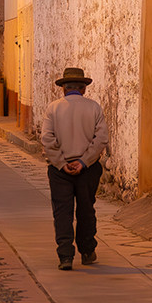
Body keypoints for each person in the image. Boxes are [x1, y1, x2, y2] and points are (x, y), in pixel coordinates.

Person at [41, 67, 109, 271]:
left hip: (59, 170)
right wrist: (83, 162)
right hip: (88, 169)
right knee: (86, 209)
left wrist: (62, 163)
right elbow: (101, 139)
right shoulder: (94, 108)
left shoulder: (53, 108)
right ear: (84, 89)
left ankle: (65, 256)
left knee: (62, 212)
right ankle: (87, 251)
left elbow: (47, 139)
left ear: (63, 89)